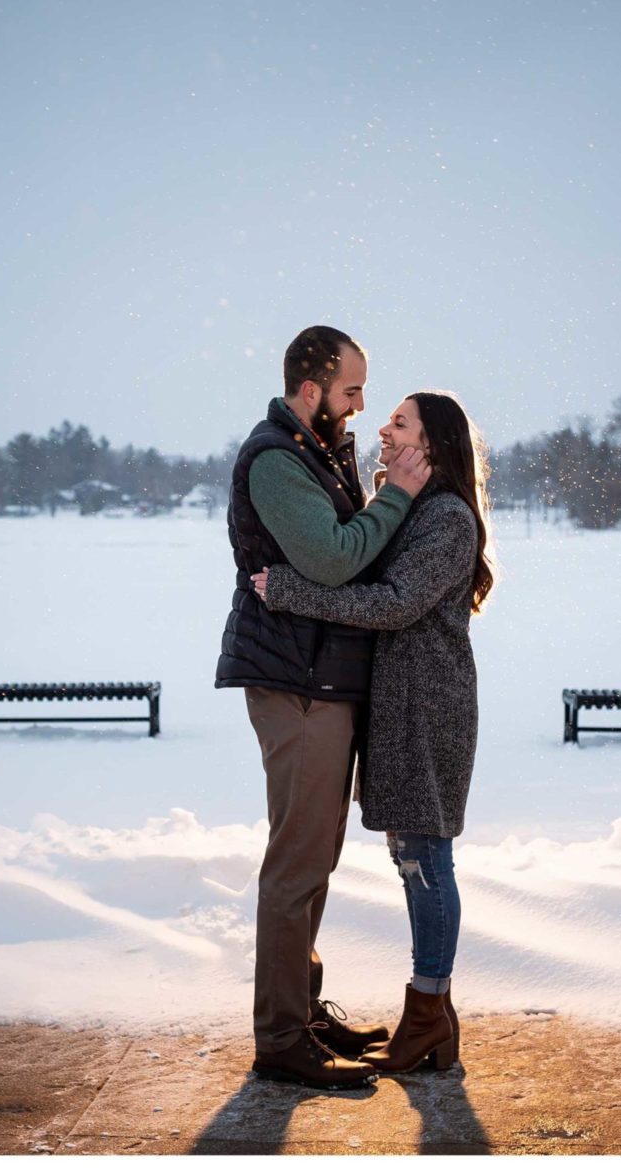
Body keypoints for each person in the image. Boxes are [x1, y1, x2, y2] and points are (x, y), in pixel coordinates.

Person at [214, 325, 433, 1090]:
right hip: (295, 681)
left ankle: (300, 1015)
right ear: (312, 388)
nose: (362, 403)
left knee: (316, 858)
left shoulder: (318, 450)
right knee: (296, 861)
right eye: (351, 389)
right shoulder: (276, 459)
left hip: (323, 681)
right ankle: (279, 1037)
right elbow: (336, 557)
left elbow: (348, 547)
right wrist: (400, 493)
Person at [253, 390, 494, 1074]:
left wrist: (292, 592)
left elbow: (393, 604)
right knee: (411, 855)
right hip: (401, 704)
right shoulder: (413, 507)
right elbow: (353, 557)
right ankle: (431, 1019)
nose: (382, 427)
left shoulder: (446, 518)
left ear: (434, 444)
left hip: (429, 709)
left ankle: (429, 1010)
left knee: (426, 860)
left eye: (399, 422)